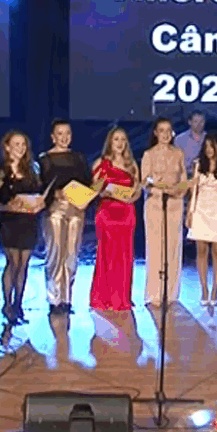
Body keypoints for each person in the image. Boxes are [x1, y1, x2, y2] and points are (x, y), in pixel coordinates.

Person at [39, 120, 92, 316]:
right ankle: (54, 299)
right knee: (55, 255)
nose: (64, 137)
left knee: (71, 255)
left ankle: (67, 298)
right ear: (53, 137)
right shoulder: (44, 159)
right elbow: (41, 186)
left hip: (77, 209)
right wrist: (56, 193)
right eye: (60, 133)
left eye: (67, 133)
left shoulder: (79, 157)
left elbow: (87, 181)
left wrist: (86, 196)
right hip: (55, 210)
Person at [0, 130, 45, 325]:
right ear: (7, 147)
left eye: (23, 144)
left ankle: (18, 305)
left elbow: (40, 192)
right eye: (16, 144)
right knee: (13, 263)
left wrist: (40, 202)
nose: (21, 148)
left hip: (29, 221)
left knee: (24, 265)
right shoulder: (0, 170)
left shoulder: (33, 168)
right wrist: (9, 205)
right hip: (10, 222)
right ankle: (7, 305)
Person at [89, 127, 141, 311]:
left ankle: (121, 297)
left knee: (125, 255)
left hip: (127, 212)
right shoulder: (101, 163)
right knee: (107, 254)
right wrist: (104, 190)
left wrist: (131, 199)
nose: (120, 143)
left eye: (123, 139)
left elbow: (137, 189)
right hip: (107, 212)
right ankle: (104, 297)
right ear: (110, 142)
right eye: (116, 139)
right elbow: (94, 190)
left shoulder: (131, 164)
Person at [186, 131, 217, 306]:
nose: (209, 149)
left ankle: (215, 290)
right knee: (201, 251)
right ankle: (204, 290)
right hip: (200, 211)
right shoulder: (198, 165)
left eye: (212, 146)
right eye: (206, 146)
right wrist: (189, 213)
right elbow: (193, 191)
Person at [141, 118, 188, 306]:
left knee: (173, 246)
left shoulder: (179, 153)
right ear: (156, 133)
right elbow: (144, 181)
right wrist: (158, 188)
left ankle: (171, 292)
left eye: (168, 130)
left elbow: (183, 179)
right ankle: (155, 292)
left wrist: (179, 191)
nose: (165, 134)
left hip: (175, 203)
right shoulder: (148, 154)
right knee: (155, 247)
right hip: (155, 203)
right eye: (162, 130)